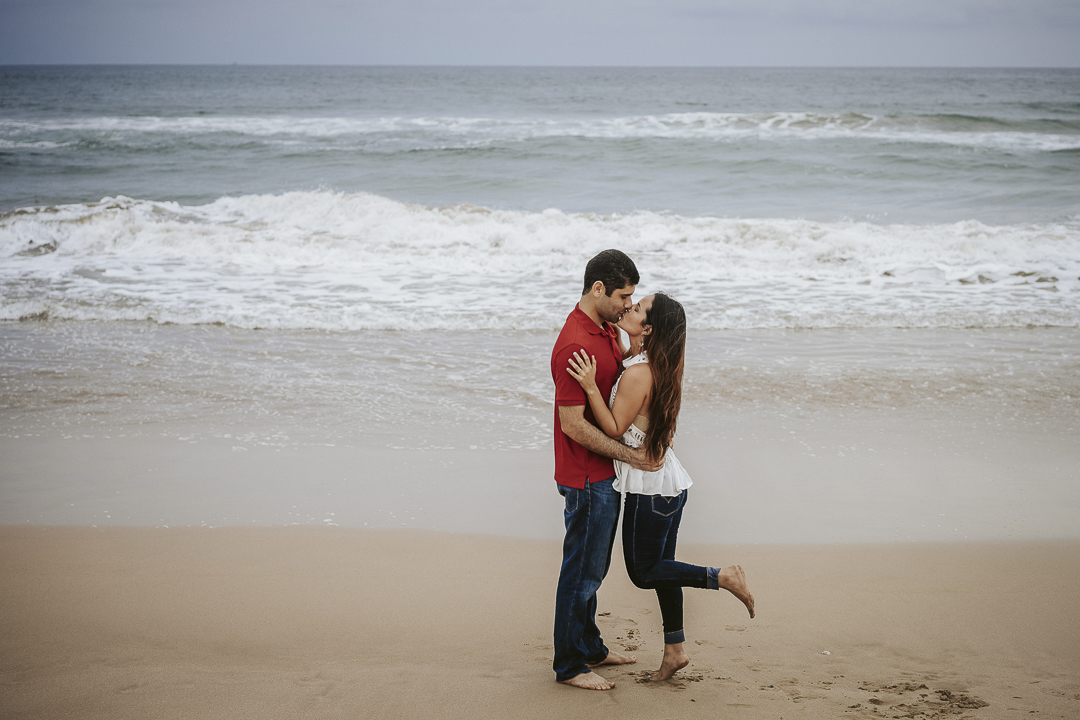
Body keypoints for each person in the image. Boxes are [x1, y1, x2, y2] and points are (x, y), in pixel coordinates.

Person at [566, 292, 755, 682]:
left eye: (636, 308)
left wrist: (588, 387)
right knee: (665, 570)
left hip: (650, 488)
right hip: (668, 483)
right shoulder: (653, 363)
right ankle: (675, 650)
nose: (628, 308)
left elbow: (614, 429)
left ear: (649, 328)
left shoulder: (640, 372)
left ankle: (722, 576)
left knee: (644, 573)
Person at [550, 249, 663, 691]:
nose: (626, 305)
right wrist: (631, 456)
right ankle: (570, 665)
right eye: (623, 296)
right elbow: (572, 424)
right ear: (599, 289)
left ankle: (591, 646)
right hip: (586, 476)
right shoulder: (575, 343)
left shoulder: (602, 328)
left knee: (593, 568)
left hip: (602, 473)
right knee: (581, 572)